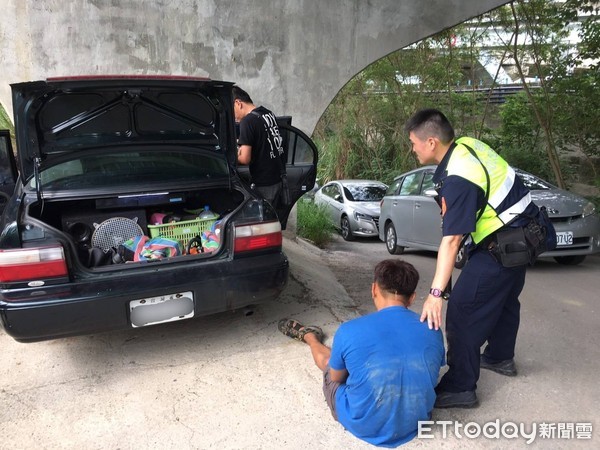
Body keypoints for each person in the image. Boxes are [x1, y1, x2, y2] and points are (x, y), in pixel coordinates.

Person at [404, 108, 542, 409]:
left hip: (503, 243)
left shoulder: (460, 178)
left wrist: (436, 294)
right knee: (505, 300)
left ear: (430, 142)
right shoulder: (467, 145)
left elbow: (452, 240)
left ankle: (461, 387)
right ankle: (500, 357)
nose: (412, 148)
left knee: (463, 311)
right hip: (524, 237)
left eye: (413, 142)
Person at [278, 259, 444, 447]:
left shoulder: (349, 330)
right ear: (413, 297)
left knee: (331, 366)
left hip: (363, 424)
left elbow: (336, 377)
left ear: (374, 289)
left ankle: (310, 337)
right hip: (416, 422)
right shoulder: (434, 328)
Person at [233, 85, 286, 206]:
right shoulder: (268, 114)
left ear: (238, 103)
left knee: (260, 223)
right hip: (278, 179)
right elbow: (263, 140)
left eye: (232, 110)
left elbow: (245, 158)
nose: (233, 117)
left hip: (263, 184)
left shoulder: (247, 121)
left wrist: (231, 155)